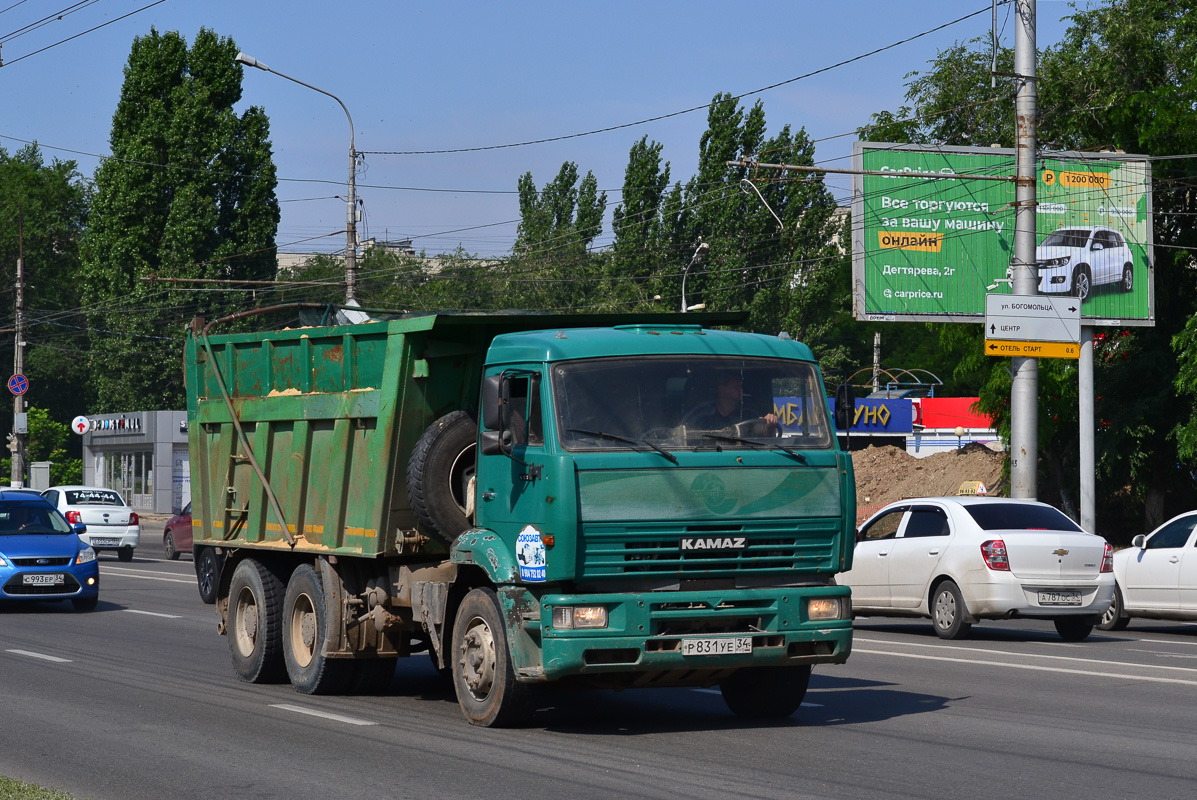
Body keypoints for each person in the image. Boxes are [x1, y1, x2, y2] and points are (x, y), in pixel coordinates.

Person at [684, 372, 779, 430]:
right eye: (735, 387)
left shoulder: (747, 412)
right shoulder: (703, 415)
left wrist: (769, 424)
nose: (741, 390)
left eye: (741, 386)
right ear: (721, 389)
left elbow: (760, 431)